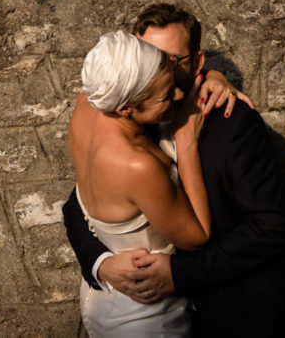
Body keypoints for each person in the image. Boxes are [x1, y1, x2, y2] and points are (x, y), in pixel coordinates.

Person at [63, 4, 285, 337]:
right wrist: (101, 264)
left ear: (198, 62)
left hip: (231, 313)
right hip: (137, 308)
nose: (160, 69)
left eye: (173, 60)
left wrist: (180, 272)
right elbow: (76, 204)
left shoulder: (234, 123)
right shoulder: (120, 114)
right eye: (150, 54)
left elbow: (271, 226)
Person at [69, 30, 212, 337]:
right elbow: (197, 237)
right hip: (146, 316)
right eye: (165, 96)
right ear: (125, 108)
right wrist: (185, 143)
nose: (177, 95)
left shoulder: (87, 103)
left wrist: (213, 78)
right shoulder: (136, 164)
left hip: (100, 299)